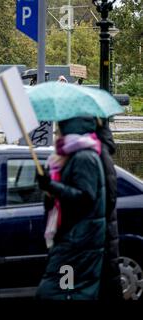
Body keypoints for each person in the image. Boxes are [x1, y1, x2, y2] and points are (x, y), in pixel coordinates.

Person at [36, 117, 106, 300]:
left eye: (60, 129)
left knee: (60, 292)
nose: (57, 133)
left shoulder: (84, 157)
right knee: (67, 292)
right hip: (73, 238)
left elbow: (84, 198)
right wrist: (49, 190)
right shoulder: (70, 156)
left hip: (78, 242)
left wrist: (51, 186)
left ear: (71, 129)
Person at [96, 118, 123, 300]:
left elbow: (105, 199)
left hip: (97, 245)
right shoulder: (98, 152)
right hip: (99, 244)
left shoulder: (95, 155)